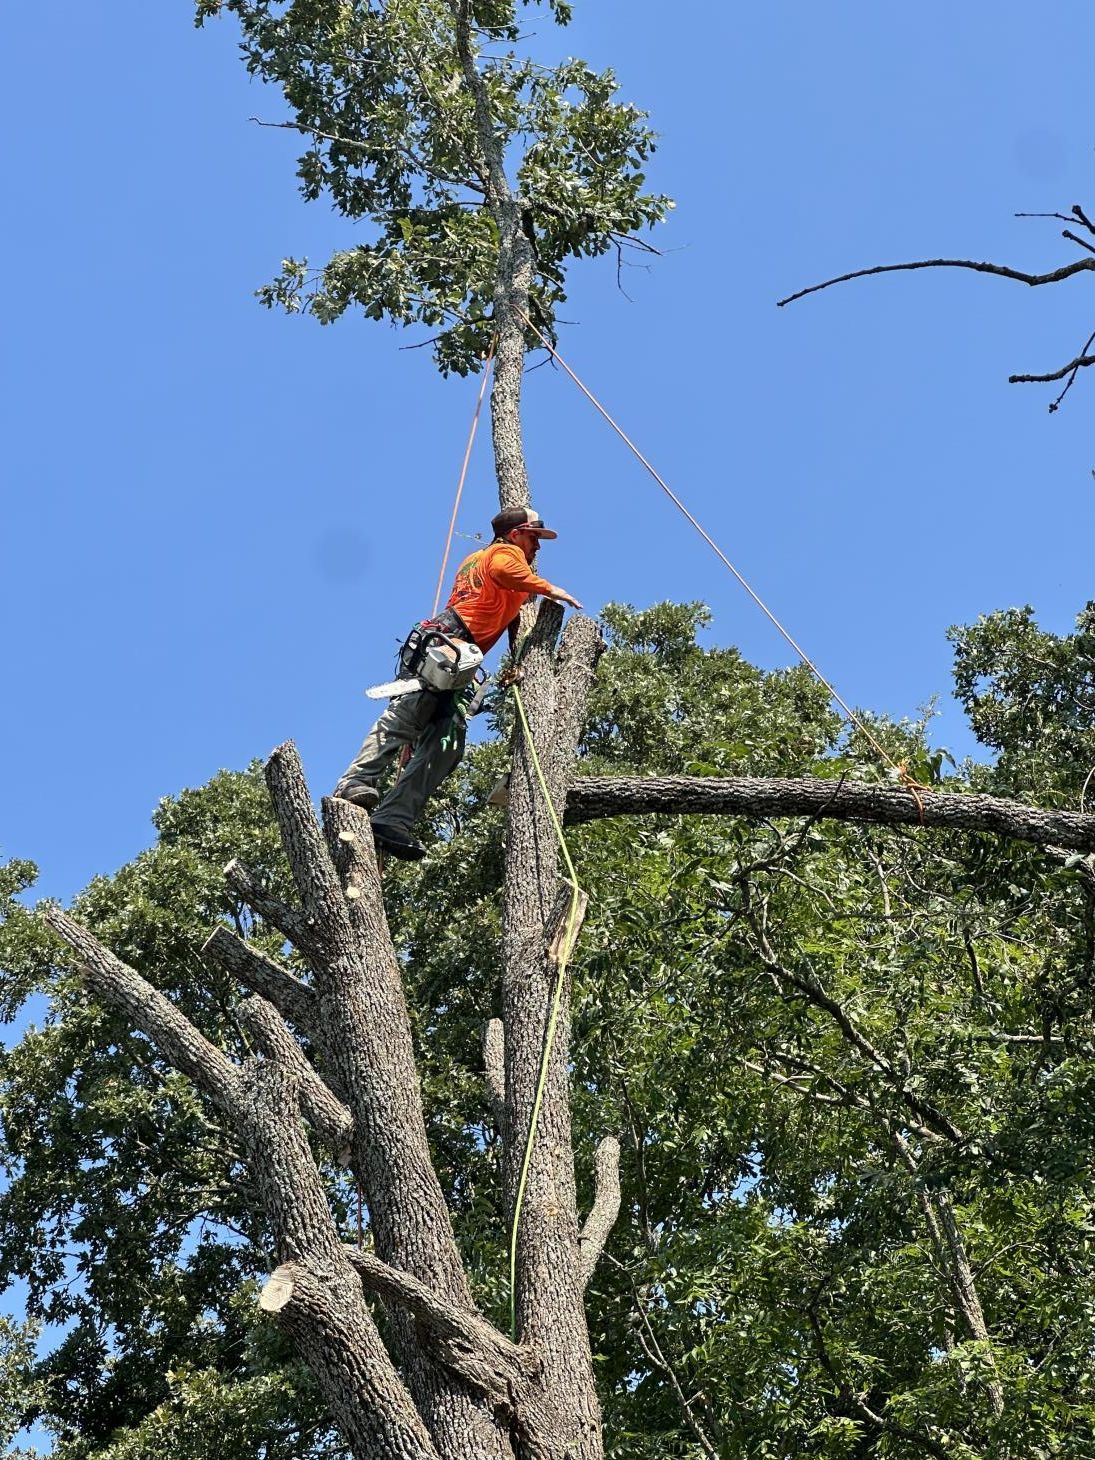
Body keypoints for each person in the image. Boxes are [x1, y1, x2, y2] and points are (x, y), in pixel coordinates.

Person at [333, 505, 583, 861]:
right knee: (407, 715)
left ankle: (393, 819)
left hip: (462, 655)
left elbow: (505, 603)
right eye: (533, 537)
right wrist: (550, 589)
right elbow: (504, 570)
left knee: (446, 745)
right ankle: (354, 782)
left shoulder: (486, 561)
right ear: (515, 535)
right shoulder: (502, 554)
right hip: (447, 642)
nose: (537, 547)